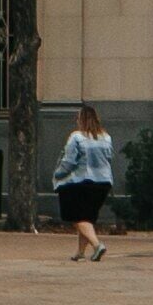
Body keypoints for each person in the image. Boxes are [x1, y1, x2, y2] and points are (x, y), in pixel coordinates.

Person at [53, 105, 113, 259]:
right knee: (87, 217)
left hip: (80, 182)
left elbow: (69, 161)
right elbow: (109, 158)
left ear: (81, 119)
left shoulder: (76, 137)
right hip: (104, 182)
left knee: (77, 217)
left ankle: (97, 245)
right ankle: (80, 252)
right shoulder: (106, 137)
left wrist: (58, 174)